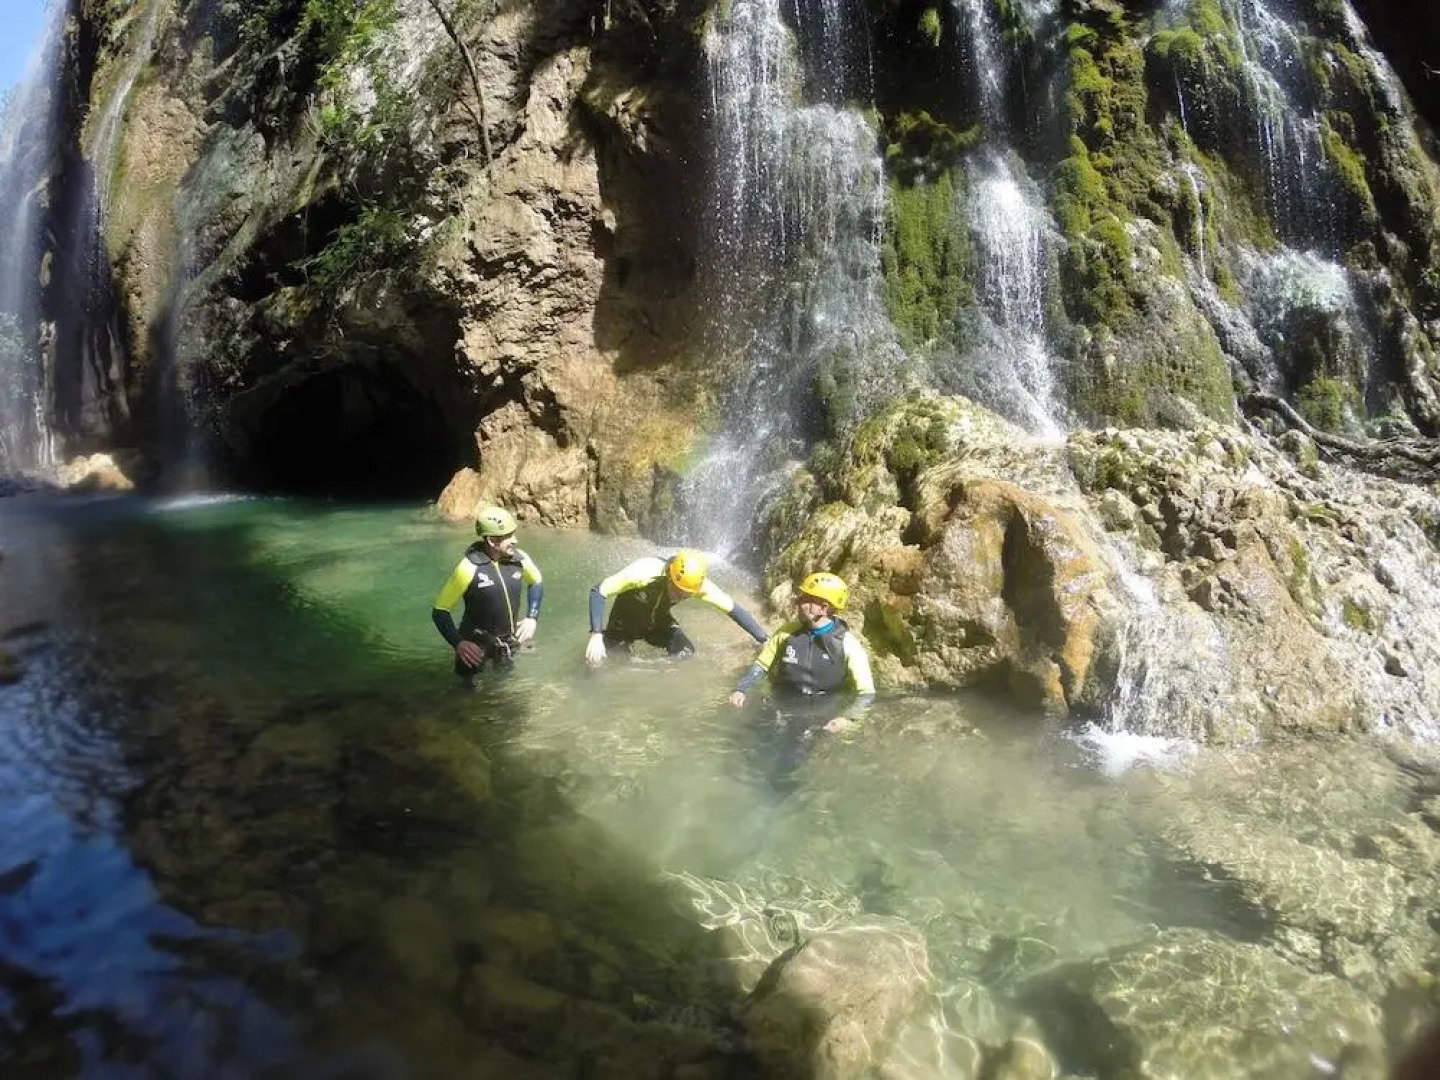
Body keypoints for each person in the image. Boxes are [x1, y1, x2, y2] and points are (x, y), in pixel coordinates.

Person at [728, 571, 875, 734]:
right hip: (779, 705)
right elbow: (761, 665)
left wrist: (848, 720)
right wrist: (741, 689)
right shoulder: (786, 633)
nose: (797, 601)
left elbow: (866, 694)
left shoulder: (848, 645)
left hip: (821, 717)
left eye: (805, 598)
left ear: (823, 608)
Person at [584, 549, 768, 666]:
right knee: (599, 663)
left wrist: (764, 639)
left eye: (686, 595)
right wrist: (596, 634)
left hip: (657, 623)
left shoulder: (695, 585)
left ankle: (650, 679)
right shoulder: (644, 571)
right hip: (624, 624)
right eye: (678, 591)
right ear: (670, 577)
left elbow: (733, 609)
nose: (681, 597)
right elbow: (598, 591)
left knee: (686, 653)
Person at [431, 504, 543, 681]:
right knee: (466, 692)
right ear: (492, 541)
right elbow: (440, 610)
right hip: (474, 647)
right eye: (509, 536)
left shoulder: (520, 560)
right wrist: (458, 643)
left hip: (507, 643)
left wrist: (532, 617)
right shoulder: (468, 568)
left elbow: (536, 582)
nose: (515, 540)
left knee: (505, 689)